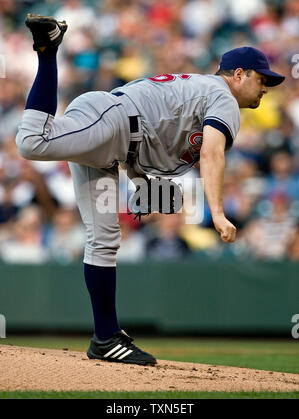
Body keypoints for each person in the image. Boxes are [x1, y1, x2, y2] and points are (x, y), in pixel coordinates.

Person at [16, 14, 285, 366]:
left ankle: (106, 338)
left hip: (116, 138)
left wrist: (141, 182)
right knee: (33, 142)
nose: (266, 88)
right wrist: (217, 212)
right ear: (238, 75)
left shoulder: (199, 91)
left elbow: (149, 129)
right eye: (262, 79)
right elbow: (212, 151)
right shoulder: (223, 97)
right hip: (112, 121)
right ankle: (49, 50)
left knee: (104, 238)